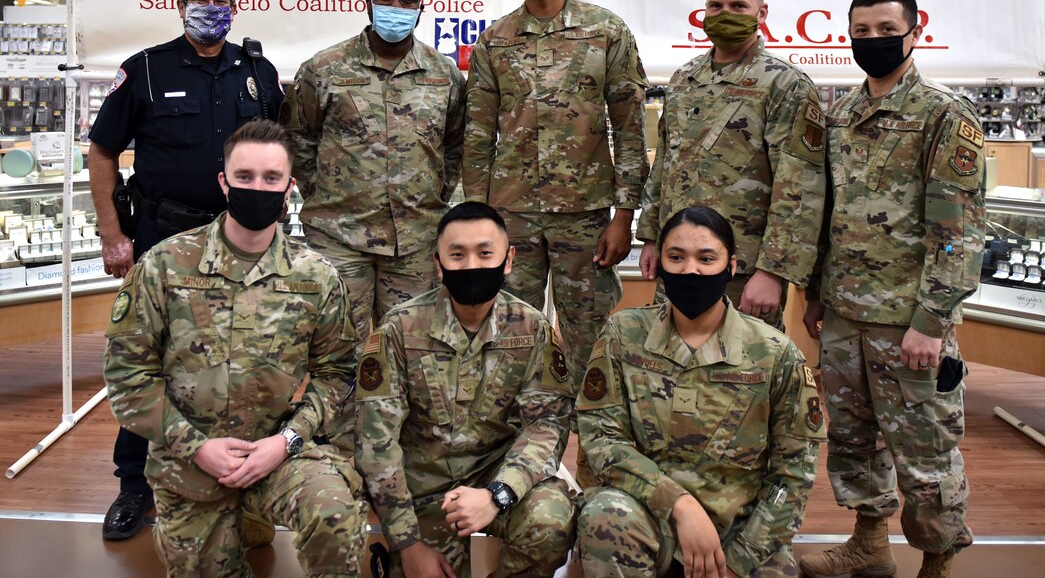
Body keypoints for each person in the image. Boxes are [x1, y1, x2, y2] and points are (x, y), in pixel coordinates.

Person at [103, 120, 361, 577]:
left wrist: (287, 440)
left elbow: (337, 374)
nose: (257, 188)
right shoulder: (164, 265)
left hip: (280, 452)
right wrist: (195, 446)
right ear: (224, 183)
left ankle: (255, 515)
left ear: (289, 188)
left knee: (336, 516)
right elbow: (128, 376)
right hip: (191, 459)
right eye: (244, 177)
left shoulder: (316, 277)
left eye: (271, 179)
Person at [88, 0, 284, 540]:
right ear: (180, 6)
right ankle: (133, 485)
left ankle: (239, 475)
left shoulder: (258, 73)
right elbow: (101, 154)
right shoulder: (146, 70)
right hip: (162, 240)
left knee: (241, 358)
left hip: (240, 241)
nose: (210, 7)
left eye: (220, 0)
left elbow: (276, 157)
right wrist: (110, 234)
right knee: (150, 355)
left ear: (234, 8)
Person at [799, 0, 983, 578]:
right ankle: (869, 546)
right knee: (854, 441)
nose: (872, 41)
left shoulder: (943, 116)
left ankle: (938, 561)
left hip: (908, 320)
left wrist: (931, 322)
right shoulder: (844, 114)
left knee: (924, 450)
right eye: (862, 31)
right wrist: (817, 295)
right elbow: (831, 214)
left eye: (885, 30)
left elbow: (957, 231)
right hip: (846, 314)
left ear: (915, 30)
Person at [577, 206, 825, 577]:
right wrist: (678, 503)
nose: (690, 270)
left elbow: (793, 474)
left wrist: (737, 563)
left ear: (731, 266)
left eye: (706, 258)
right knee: (602, 515)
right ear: (658, 264)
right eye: (676, 257)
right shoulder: (623, 334)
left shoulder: (776, 354)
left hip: (739, 536)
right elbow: (601, 439)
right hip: (647, 521)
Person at [463, 0, 648, 391]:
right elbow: (478, 134)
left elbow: (629, 127)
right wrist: (479, 217)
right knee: (507, 338)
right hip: (511, 215)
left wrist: (624, 216)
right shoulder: (495, 40)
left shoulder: (605, 31)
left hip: (585, 217)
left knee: (592, 343)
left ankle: (594, 448)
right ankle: (514, 449)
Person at [356, 201, 576, 578]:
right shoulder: (399, 329)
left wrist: (499, 493)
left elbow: (547, 425)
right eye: (457, 255)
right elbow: (377, 441)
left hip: (497, 475)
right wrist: (407, 543)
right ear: (438, 265)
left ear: (508, 260)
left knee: (551, 521)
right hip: (423, 491)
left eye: (485, 253)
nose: (472, 265)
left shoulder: (532, 329)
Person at [281, 0, 467, 340]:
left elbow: (455, 144)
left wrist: (434, 196)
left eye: (406, 0)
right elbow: (297, 136)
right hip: (340, 237)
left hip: (415, 241)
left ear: (420, 9)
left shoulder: (444, 74)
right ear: (368, 6)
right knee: (337, 345)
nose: (395, 6)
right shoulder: (325, 68)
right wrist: (324, 193)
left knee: (412, 343)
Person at [637, 0, 825, 328]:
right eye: (716, 7)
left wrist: (774, 272)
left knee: (743, 374)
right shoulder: (686, 77)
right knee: (670, 366)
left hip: (743, 270)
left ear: (762, 12)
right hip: (677, 260)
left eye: (738, 6)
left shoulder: (785, 85)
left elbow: (800, 189)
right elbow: (666, 165)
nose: (725, 15)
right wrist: (650, 238)